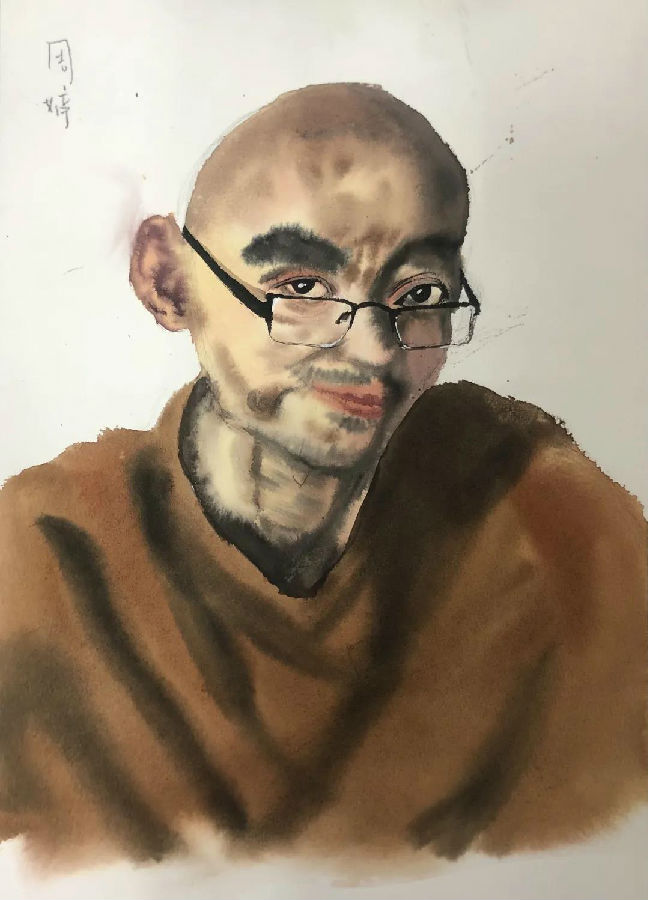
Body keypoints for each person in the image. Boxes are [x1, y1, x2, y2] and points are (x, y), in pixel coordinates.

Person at [0, 83, 646, 871]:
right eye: (301, 288)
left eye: (419, 295)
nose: (376, 352)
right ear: (167, 280)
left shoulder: (538, 513)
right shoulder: (45, 555)